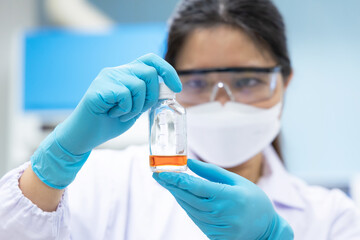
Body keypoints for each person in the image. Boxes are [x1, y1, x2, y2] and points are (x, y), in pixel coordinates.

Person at [1, 0, 360, 239]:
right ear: (168, 85)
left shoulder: (333, 218)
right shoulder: (107, 184)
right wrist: (55, 163)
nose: (223, 102)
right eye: (199, 82)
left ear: (285, 82)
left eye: (247, 80)